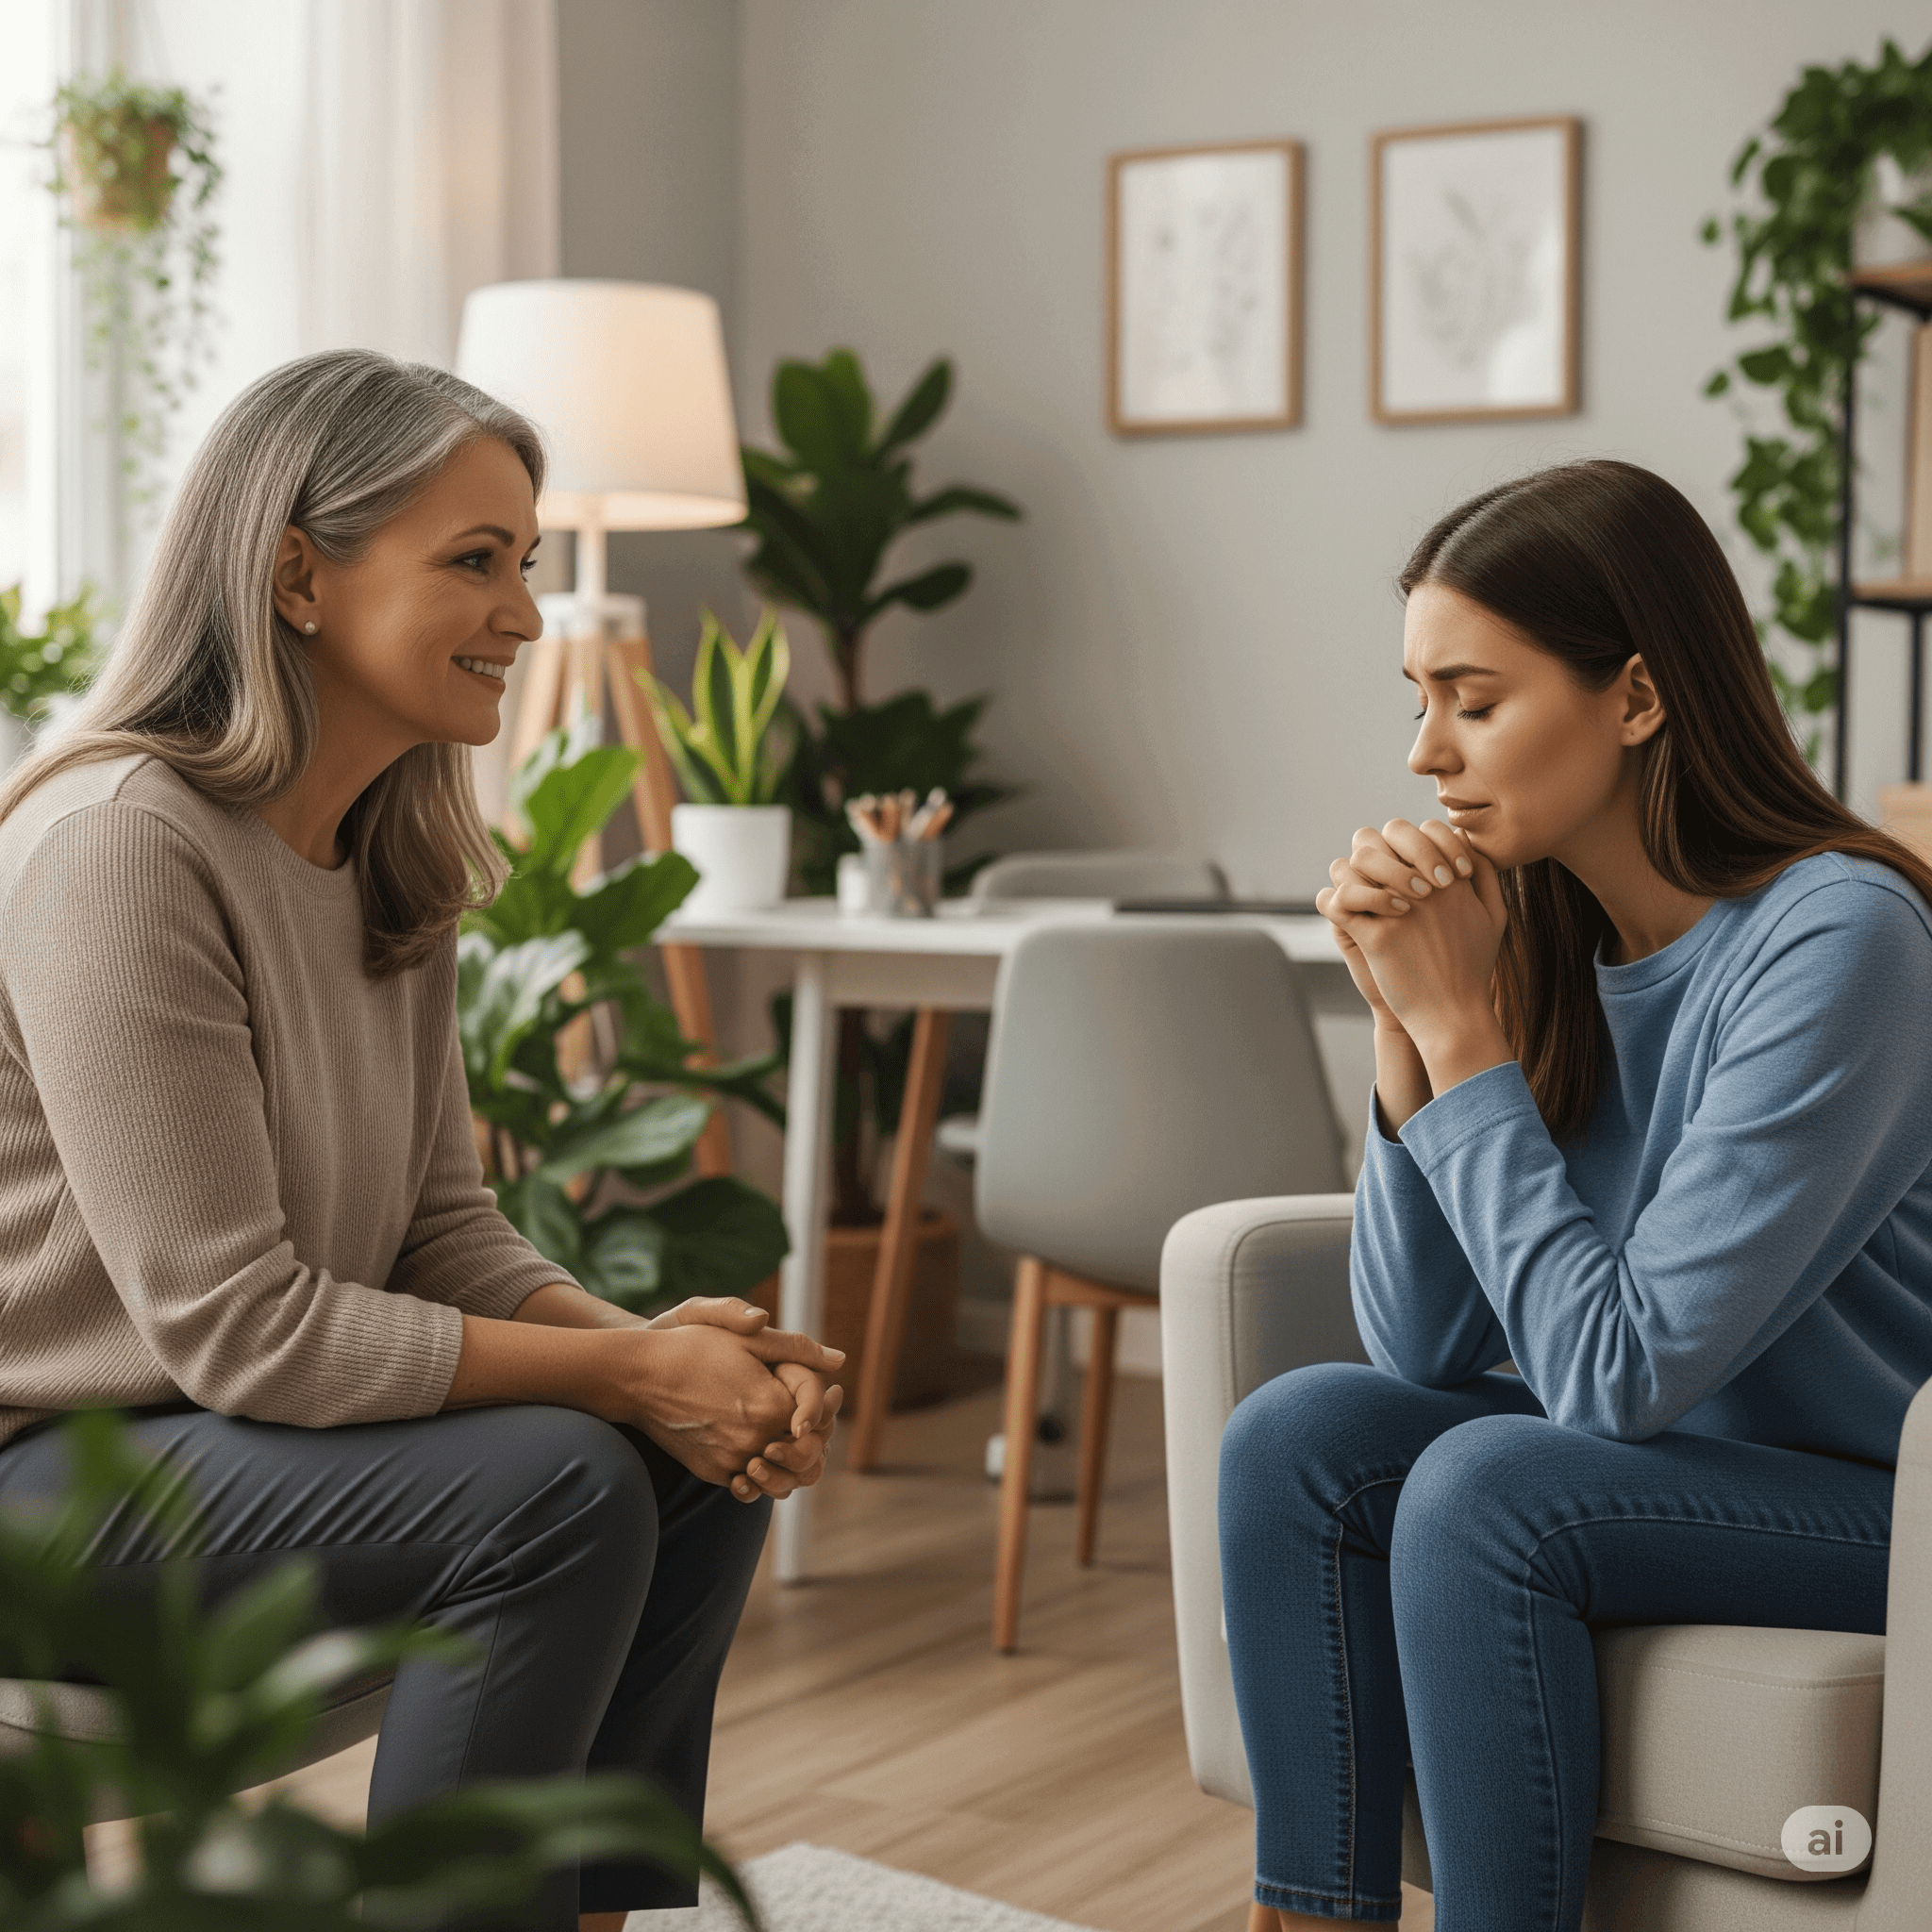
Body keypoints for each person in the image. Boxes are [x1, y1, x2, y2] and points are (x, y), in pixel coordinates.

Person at [0, 349, 846, 1931]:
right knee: (558, 1480)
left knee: (676, 1468)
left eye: (521, 562)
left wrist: (669, 1364)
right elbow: (236, 1325)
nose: (526, 613)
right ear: (295, 573)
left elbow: (441, 1228)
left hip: (208, 1454)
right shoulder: (119, 846)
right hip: (46, 1479)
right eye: (476, 562)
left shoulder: (382, 856)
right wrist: (627, 1373)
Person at [1221, 460, 1932, 1931]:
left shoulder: (1841, 938)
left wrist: (1466, 1036)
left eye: (1474, 701)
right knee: (1298, 1434)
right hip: (1681, 1467)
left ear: (1638, 697)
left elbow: (1614, 1380)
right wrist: (1406, 1025)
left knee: (1493, 1487)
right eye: (1417, 699)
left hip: (1880, 1502)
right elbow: (1417, 1345)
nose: (1425, 753)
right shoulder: (1541, 925)